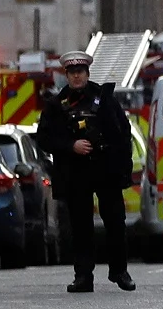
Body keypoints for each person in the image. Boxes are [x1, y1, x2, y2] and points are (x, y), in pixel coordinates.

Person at [37, 51, 136, 293]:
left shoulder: (105, 100)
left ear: (87, 74)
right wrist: (71, 146)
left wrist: (124, 169)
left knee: (115, 222)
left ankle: (119, 271)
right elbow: (44, 137)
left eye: (80, 72)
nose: (77, 77)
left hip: (106, 169)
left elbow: (123, 133)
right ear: (67, 76)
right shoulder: (56, 105)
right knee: (80, 226)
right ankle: (83, 276)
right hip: (75, 172)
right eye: (72, 73)